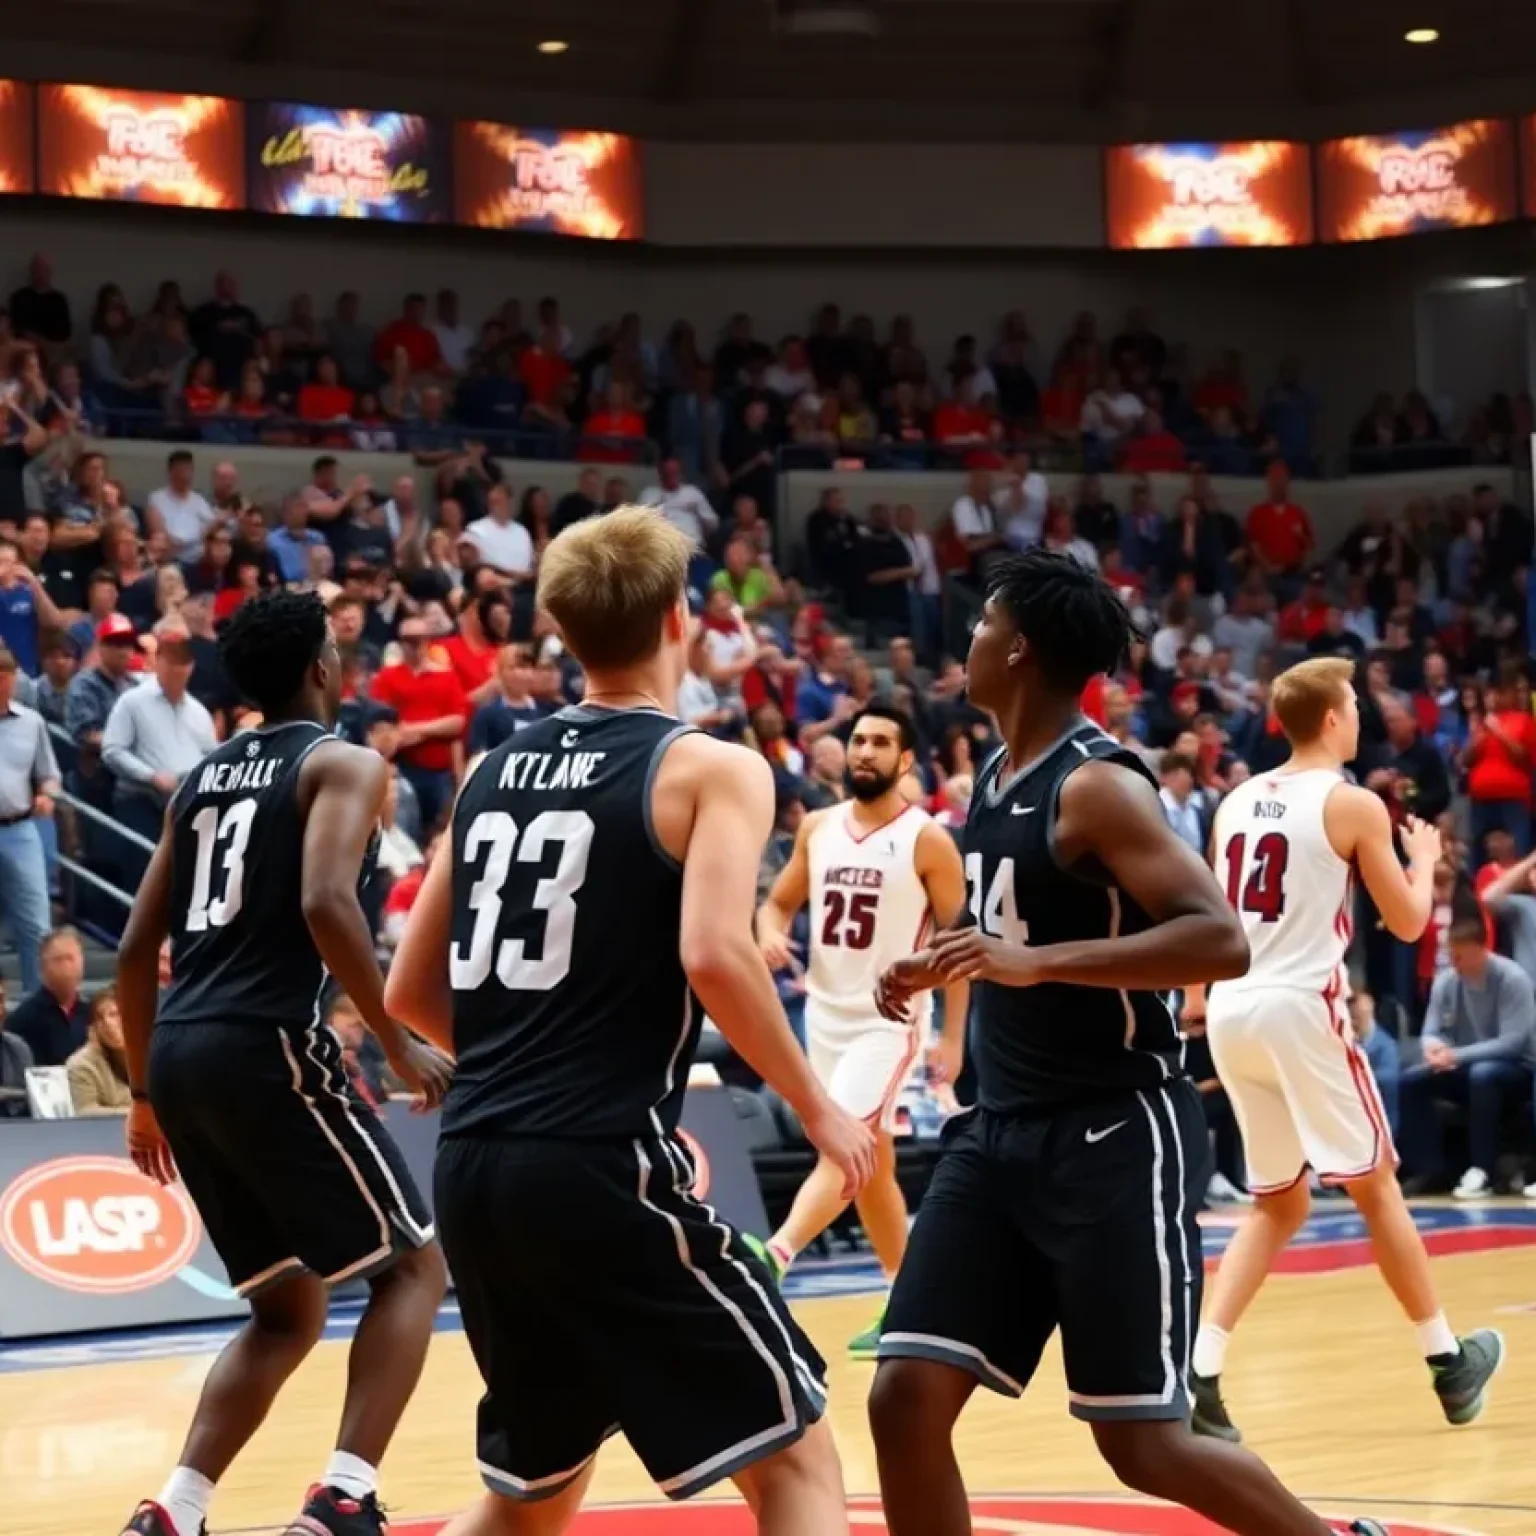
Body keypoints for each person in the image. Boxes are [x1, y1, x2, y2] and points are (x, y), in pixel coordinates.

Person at [868, 552, 1390, 1536]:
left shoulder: (1096, 785)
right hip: (998, 1133)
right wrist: (948, 960)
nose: (967, 640)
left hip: (1111, 1135)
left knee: (1143, 1444)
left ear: (1017, 648)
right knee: (901, 1399)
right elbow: (1021, 932)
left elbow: (1220, 938)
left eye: (983, 624)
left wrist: (1037, 963)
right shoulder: (995, 773)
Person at [383, 507, 875, 1535]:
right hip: (600, 1164)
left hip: (472, 1164)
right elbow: (714, 952)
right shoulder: (710, 766)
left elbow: (409, 996)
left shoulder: (486, 773)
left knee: (536, 1493)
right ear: (676, 617)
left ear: (559, 625)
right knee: (796, 1460)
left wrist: (527, 1061)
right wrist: (819, 1107)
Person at [113, 590, 452, 1536]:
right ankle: (346, 1495)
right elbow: (325, 902)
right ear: (320, 668)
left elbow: (138, 949)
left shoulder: (201, 778)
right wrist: (393, 1036)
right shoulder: (343, 761)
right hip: (268, 1043)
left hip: (181, 1051)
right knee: (415, 1269)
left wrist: (143, 1093)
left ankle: (176, 1509)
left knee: (284, 1311)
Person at [1190, 656, 1503, 1448]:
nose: (1361, 713)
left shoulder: (1233, 802)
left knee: (1280, 1202)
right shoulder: (1352, 802)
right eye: (1355, 702)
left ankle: (1200, 1367)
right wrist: (1425, 859)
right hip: (1300, 1005)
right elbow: (1403, 924)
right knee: (1376, 1183)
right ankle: (1447, 1361)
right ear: (1331, 717)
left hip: (1233, 1008)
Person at [755, 703, 968, 1357]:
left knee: (842, 1148)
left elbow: (960, 946)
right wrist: (769, 933)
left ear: (905, 762)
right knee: (871, 1166)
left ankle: (770, 1258)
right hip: (823, 1016)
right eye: (857, 740)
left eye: (880, 743)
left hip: (889, 1021)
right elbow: (778, 902)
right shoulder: (818, 826)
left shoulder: (928, 838)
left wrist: (952, 1040)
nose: (864, 752)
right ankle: (909, 1306)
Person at [1397, 919, 1535, 1199]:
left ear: (1481, 949)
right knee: (1411, 1081)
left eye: (1459, 955)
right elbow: (1431, 1029)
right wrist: (1433, 1048)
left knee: (1483, 1075)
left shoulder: (1512, 978)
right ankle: (1429, 1169)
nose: (1453, 961)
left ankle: (1482, 1170)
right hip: (1464, 1063)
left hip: (1517, 1067)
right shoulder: (1447, 979)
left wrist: (1456, 1055)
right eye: (1450, 954)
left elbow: (1513, 1042)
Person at [0, 643, 60, 996]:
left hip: (20, 827)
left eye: (7, 678)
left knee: (36, 926)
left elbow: (49, 775)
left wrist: (46, 795)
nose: (3, 685)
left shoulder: (31, 723)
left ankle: (39, 1009)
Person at [66, 986, 133, 1114]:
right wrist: (138, 1114)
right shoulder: (82, 1064)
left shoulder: (155, 1054)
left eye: (114, 1014)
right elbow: (86, 1112)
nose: (107, 1023)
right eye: (100, 1018)